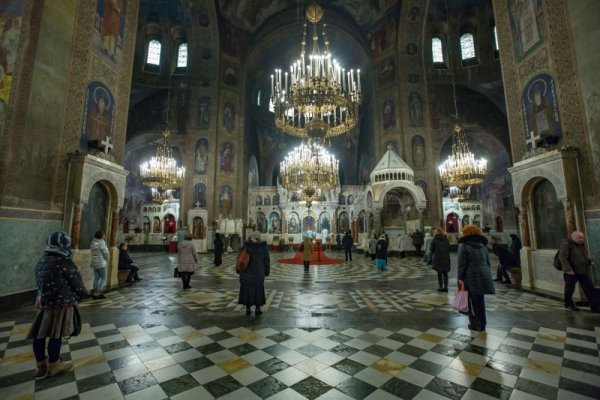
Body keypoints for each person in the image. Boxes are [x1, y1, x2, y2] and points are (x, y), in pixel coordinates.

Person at [27, 231, 88, 379]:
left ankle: (40, 366)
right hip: (62, 303)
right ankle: (54, 365)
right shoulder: (63, 261)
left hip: (45, 303)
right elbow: (76, 282)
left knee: (40, 335)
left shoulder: (42, 261)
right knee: (56, 334)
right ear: (64, 244)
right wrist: (83, 295)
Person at [457, 224, 495, 332]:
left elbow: (462, 264)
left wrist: (460, 278)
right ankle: (483, 324)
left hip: (471, 276)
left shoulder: (463, 245)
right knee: (480, 301)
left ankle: (476, 325)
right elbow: (487, 262)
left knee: (472, 302)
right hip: (484, 275)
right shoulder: (483, 245)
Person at [559, 231, 599, 312]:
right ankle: (568, 304)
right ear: (573, 237)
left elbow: (582, 255)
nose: (582, 239)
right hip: (572, 272)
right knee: (569, 289)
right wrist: (568, 270)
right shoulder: (566, 244)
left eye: (583, 238)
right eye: (579, 237)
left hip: (582, 271)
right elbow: (562, 257)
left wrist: (588, 261)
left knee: (589, 288)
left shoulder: (580, 245)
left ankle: (595, 306)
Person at [238, 231, 270, 316]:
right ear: (259, 238)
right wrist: (266, 272)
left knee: (247, 290)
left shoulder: (246, 246)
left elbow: (240, 258)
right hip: (258, 274)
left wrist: (239, 270)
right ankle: (257, 309)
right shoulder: (263, 248)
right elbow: (267, 261)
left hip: (246, 273)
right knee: (257, 291)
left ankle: (248, 308)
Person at [90, 230, 109, 299]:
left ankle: (94, 291)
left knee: (97, 277)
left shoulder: (93, 242)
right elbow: (106, 253)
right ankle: (98, 293)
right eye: (103, 235)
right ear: (101, 236)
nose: (104, 236)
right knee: (103, 278)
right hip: (101, 262)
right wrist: (107, 259)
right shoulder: (101, 243)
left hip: (94, 262)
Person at [430, 227, 451, 292]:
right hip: (446, 257)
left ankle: (440, 287)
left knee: (439, 272)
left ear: (436, 232)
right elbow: (449, 247)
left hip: (438, 258)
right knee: (445, 273)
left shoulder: (435, 239)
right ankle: (446, 287)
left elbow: (431, 249)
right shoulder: (446, 238)